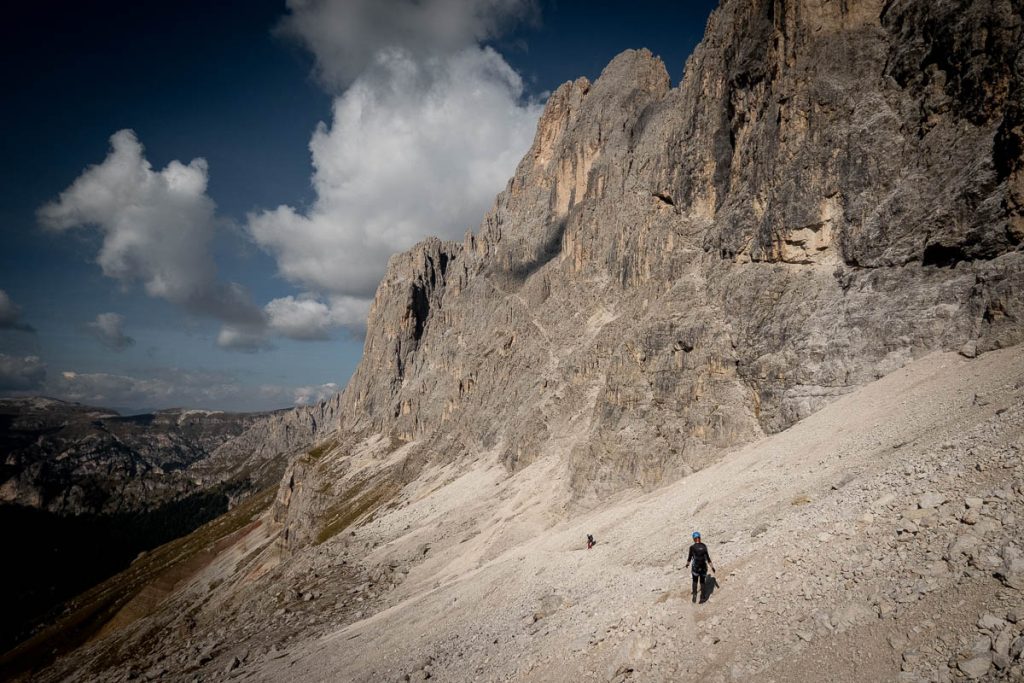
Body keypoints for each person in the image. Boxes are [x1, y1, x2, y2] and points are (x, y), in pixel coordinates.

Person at [685, 531, 715, 603]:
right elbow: (707, 558)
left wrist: (687, 564)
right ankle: (703, 598)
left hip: (695, 568)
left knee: (695, 581)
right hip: (703, 568)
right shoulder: (704, 546)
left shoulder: (692, 547)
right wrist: (712, 567)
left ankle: (694, 596)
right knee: (702, 582)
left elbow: (689, 557)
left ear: (694, 539)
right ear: (699, 538)